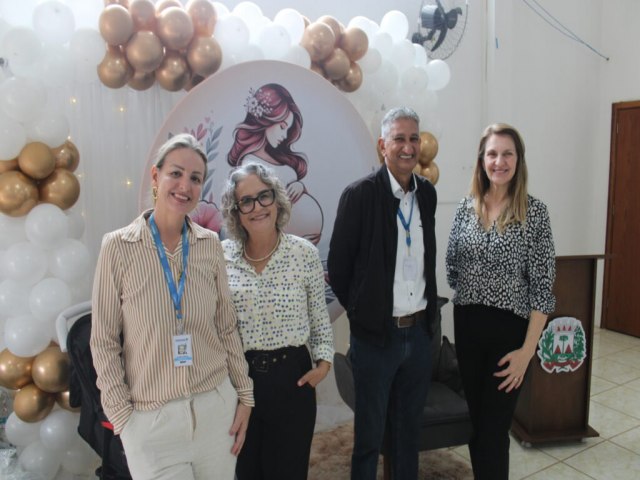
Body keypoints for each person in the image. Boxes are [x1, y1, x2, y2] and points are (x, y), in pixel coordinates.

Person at [91, 133, 254, 480]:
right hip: (152, 422)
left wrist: (244, 396)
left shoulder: (210, 245)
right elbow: (103, 340)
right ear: (156, 176)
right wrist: (123, 419)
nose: (185, 186)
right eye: (176, 173)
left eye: (195, 178)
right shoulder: (118, 247)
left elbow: (226, 326)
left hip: (216, 412)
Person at [328, 107, 438, 480]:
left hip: (418, 336)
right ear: (382, 145)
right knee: (369, 438)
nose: (408, 147)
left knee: (408, 435)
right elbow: (339, 268)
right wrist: (364, 312)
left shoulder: (427, 194)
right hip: (376, 339)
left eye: (413, 138)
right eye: (399, 138)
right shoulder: (359, 195)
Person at [446, 123, 556, 479]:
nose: (499, 161)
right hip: (468, 328)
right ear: (482, 160)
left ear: (518, 160)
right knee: (477, 428)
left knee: (494, 432)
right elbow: (452, 268)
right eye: (492, 154)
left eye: (508, 154)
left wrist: (527, 352)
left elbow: (543, 291)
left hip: (510, 335)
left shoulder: (535, 214)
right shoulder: (465, 209)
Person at [220, 162, 335, 480]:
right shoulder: (220, 256)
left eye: (264, 196)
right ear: (236, 211)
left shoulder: (304, 253)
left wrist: (323, 364)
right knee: (244, 472)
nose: (257, 207)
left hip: (291, 379)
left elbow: (319, 317)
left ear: (277, 199)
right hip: (239, 382)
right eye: (246, 201)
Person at [227, 83, 324, 244]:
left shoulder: (274, 156)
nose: (285, 135)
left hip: (300, 244)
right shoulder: (249, 163)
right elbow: (261, 207)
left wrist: (300, 187)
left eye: (288, 129)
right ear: (266, 120)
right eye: (282, 127)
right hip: (283, 244)